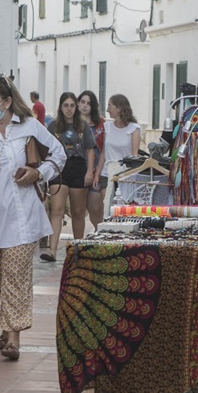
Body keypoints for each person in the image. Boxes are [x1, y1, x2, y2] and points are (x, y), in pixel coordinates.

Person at [0, 74, 64, 359]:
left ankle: (14, 337)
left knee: (15, 274)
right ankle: (4, 330)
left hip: (21, 215)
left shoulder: (28, 126)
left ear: (6, 101)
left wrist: (39, 173)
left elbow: (59, 153)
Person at [43, 92, 96, 263]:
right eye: (66, 105)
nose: (69, 109)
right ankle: (52, 250)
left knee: (78, 211)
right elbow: (45, 148)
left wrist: (89, 172)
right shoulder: (53, 126)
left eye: (72, 105)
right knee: (57, 209)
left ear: (76, 107)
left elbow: (90, 150)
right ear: (60, 107)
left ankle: (78, 248)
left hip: (78, 167)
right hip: (59, 168)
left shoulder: (83, 126)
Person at [99, 94, 141, 212]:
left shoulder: (134, 129)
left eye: (110, 106)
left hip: (125, 175)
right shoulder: (107, 127)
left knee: (123, 209)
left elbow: (134, 155)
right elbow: (104, 152)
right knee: (107, 208)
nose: (107, 110)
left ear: (119, 108)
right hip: (107, 174)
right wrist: (97, 174)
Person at [77, 90, 106, 228]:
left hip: (96, 170)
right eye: (82, 102)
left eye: (89, 103)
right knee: (78, 210)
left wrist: (97, 173)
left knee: (96, 208)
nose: (85, 106)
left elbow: (105, 149)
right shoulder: (71, 123)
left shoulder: (102, 125)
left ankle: (98, 232)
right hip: (77, 171)